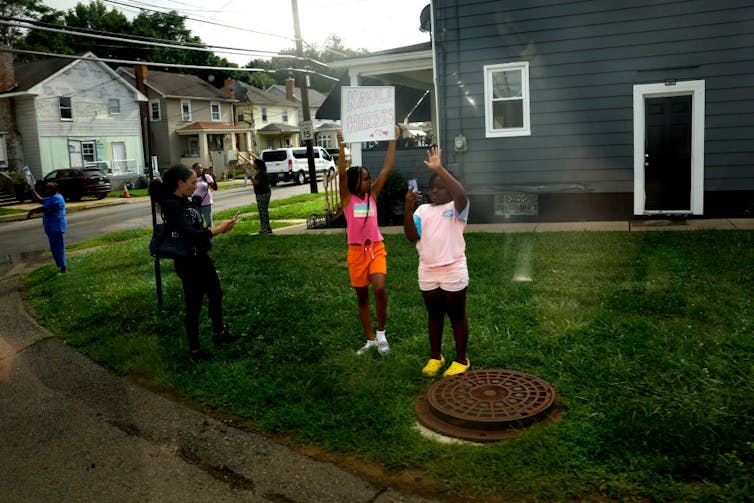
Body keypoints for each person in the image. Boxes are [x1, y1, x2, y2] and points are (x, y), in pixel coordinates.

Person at [149, 164, 239, 362]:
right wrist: (219, 230)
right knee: (194, 305)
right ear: (180, 183)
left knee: (216, 293)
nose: (195, 185)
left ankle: (219, 334)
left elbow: (196, 224)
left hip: (200, 258)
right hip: (187, 262)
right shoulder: (172, 204)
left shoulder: (185, 201)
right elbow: (189, 235)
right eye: (192, 182)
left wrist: (218, 226)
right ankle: (195, 351)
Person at [404, 147, 471, 377]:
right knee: (434, 316)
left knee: (457, 316)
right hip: (428, 271)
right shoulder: (422, 210)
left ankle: (461, 360)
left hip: (453, 269)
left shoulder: (457, 208)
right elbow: (412, 236)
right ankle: (436, 357)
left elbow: (460, 194)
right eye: (432, 187)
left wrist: (439, 169)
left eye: (440, 187)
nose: (434, 191)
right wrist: (408, 206)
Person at [336, 125, 399, 356]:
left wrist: (393, 139)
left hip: (376, 249)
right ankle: (370, 339)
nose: (368, 181)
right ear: (354, 183)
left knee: (380, 288)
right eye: (363, 179)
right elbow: (342, 174)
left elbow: (387, 167)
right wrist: (341, 145)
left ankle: (381, 334)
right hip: (355, 253)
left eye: (368, 178)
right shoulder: (347, 200)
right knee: (362, 297)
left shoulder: (372, 195)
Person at [27, 182, 68, 274]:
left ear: (55, 190)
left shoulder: (57, 198)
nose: (46, 190)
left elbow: (44, 208)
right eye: (46, 188)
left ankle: (63, 268)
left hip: (56, 226)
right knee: (55, 247)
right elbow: (41, 200)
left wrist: (32, 210)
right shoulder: (51, 197)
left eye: (49, 188)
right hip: (51, 227)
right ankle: (61, 267)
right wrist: (32, 191)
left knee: (58, 247)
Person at [249, 153, 272, 234]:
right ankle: (266, 228)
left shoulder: (261, 173)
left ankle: (265, 229)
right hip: (263, 193)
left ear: (258, 165)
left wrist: (250, 177)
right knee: (263, 211)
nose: (253, 165)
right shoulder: (261, 173)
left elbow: (256, 183)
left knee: (263, 211)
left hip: (263, 194)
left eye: (254, 163)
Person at [191, 162, 217, 227]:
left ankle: (210, 236)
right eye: (197, 168)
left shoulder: (206, 177)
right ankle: (201, 235)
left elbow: (214, 188)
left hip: (206, 203)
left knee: (209, 222)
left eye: (201, 168)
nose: (200, 170)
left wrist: (213, 179)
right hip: (195, 203)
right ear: (193, 170)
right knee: (197, 222)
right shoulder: (191, 179)